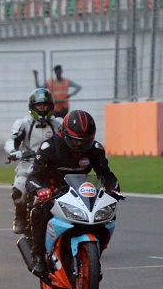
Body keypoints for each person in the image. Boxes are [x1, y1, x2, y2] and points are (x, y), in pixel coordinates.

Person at [25, 110, 120, 277]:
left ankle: (94, 256)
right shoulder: (49, 147)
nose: (80, 146)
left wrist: (113, 190)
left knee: (108, 215)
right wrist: (41, 190)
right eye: (76, 142)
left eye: (85, 142)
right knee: (38, 211)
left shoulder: (95, 149)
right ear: (65, 133)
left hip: (82, 194)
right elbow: (33, 177)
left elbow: (107, 175)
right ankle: (38, 256)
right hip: (53, 194)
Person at [4, 88, 62, 234]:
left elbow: (67, 141)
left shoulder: (58, 124)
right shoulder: (23, 124)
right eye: (39, 105)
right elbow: (12, 141)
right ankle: (20, 217)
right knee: (18, 190)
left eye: (46, 105)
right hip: (28, 163)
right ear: (32, 106)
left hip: (53, 165)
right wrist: (15, 152)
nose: (43, 108)